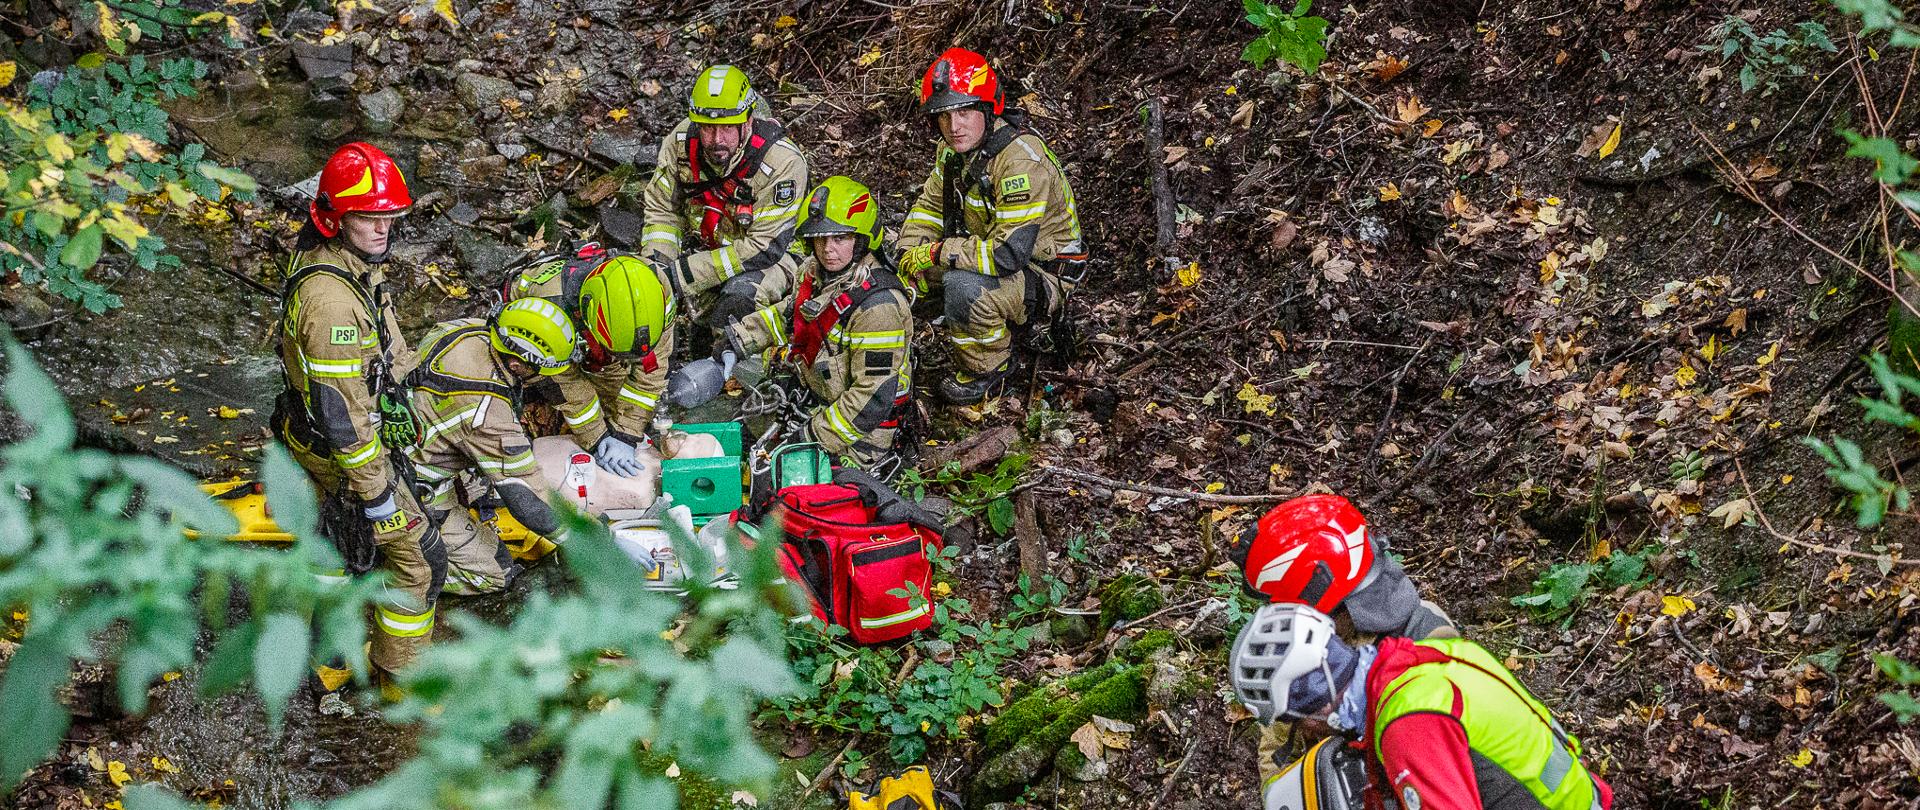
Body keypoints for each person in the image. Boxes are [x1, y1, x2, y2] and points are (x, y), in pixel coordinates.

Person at [272, 141, 442, 684]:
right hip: (341, 455)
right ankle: (398, 682)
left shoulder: (353, 264)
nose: (383, 228)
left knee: (333, 553)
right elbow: (343, 418)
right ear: (335, 218)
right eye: (368, 217)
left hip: (315, 440)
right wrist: (378, 495)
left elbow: (387, 348)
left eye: (389, 216)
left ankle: (326, 662)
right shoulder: (332, 304)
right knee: (419, 564)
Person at [1231, 603, 1614, 810]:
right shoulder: (1431, 655)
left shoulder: (1407, 723)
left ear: (1315, 706)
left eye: (1294, 720)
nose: (1304, 732)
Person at [896, 47, 1086, 405]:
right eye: (944, 115)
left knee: (963, 287)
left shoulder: (1019, 161)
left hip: (1042, 271)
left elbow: (1007, 255)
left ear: (988, 108)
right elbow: (929, 207)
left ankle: (990, 369)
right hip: (987, 248)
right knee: (895, 272)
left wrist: (937, 252)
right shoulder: (952, 151)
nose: (954, 126)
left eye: (964, 112)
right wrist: (909, 251)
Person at [1232, 494, 1460, 783]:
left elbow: (1445, 766)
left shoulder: (1427, 639)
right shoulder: (1302, 649)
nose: (1279, 616)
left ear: (1315, 590)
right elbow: (1276, 752)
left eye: (1280, 604)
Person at [723, 177, 912, 469]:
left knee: (791, 479)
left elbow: (871, 397)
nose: (827, 249)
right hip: (817, 399)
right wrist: (737, 340)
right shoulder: (813, 273)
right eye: (820, 238)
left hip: (862, 432)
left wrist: (810, 437)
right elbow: (791, 314)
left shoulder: (878, 307)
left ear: (861, 240)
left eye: (840, 238)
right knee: (747, 433)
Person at [400, 298, 576, 595]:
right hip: (410, 488)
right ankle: (395, 569)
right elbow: (527, 500)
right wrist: (592, 541)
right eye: (542, 370)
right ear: (517, 364)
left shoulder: (465, 330)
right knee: (496, 573)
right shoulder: (486, 412)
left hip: (401, 440)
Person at [639, 64, 808, 348]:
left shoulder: (782, 163)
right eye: (708, 128)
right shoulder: (681, 145)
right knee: (653, 295)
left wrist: (681, 275)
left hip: (778, 256)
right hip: (714, 248)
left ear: (748, 121)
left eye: (728, 127)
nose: (717, 140)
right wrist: (656, 267)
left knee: (740, 299)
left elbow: (763, 248)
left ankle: (743, 368)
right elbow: (661, 211)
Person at [501, 246, 674, 478]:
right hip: (533, 334)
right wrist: (596, 438)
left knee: (619, 403)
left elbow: (653, 368)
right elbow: (569, 387)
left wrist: (626, 433)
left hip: (590, 329)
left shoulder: (654, 286)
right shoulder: (550, 311)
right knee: (562, 398)